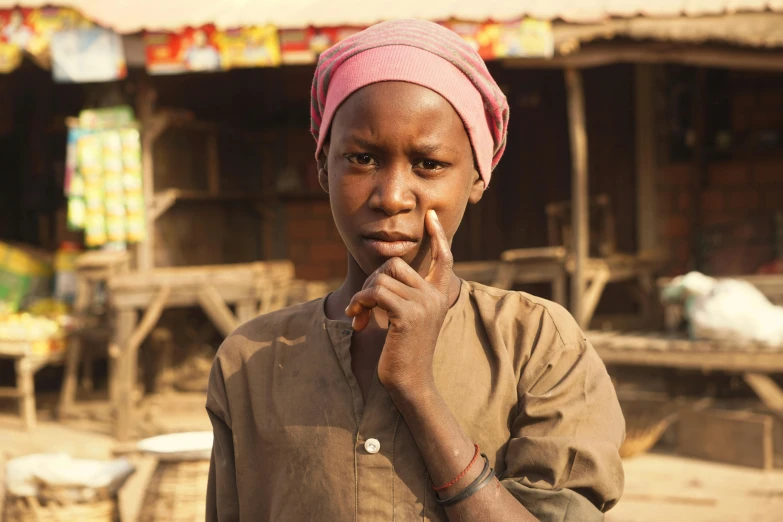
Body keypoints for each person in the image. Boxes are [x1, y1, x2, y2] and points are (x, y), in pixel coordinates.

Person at [206, 18, 625, 522]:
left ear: (477, 176)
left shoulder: (538, 344)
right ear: (323, 167)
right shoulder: (250, 363)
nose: (393, 197)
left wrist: (418, 392)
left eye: (428, 164)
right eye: (362, 158)